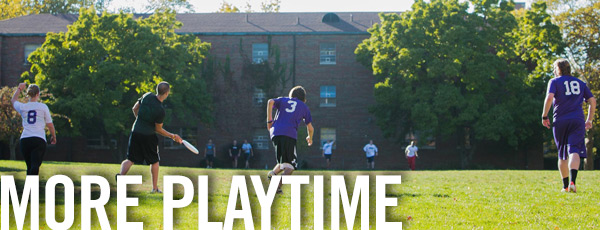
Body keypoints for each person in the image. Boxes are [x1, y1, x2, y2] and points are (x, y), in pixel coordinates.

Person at [116, 82, 182, 193]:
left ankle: (121, 176)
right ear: (166, 93)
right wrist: (172, 136)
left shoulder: (147, 96)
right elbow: (158, 129)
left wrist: (141, 121)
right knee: (154, 161)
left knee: (130, 159)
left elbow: (134, 108)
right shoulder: (160, 110)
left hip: (135, 131)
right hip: (148, 136)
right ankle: (155, 188)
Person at [542, 59, 596, 193]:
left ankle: (565, 186)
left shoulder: (554, 81)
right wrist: (589, 120)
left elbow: (549, 98)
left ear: (557, 69)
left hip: (560, 120)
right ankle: (573, 182)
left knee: (562, 154)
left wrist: (544, 115)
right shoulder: (580, 82)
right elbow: (592, 100)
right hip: (577, 120)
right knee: (574, 150)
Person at [266, 86, 314, 194]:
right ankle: (275, 187)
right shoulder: (304, 107)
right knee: (291, 166)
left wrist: (269, 121)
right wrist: (309, 138)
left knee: (283, 161)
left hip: (275, 132)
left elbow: (270, 102)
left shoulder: (283, 100)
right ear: (303, 98)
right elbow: (310, 128)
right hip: (289, 134)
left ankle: (272, 174)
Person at [11, 83, 56, 175]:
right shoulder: (43, 107)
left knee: (30, 167)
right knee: (35, 166)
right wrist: (53, 136)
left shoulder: (23, 107)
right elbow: (50, 124)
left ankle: (29, 188)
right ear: (38, 93)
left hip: (25, 139)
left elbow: (13, 100)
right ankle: (32, 187)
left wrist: (19, 88)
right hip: (38, 139)